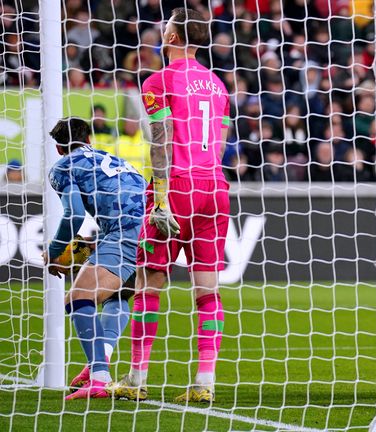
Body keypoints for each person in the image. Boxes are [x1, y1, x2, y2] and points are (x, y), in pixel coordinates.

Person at [107, 8, 231, 404]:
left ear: (174, 38)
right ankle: (204, 383)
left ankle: (135, 377)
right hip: (215, 186)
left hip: (176, 185)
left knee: (149, 283)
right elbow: (222, 143)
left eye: (165, 29)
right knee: (207, 290)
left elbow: (161, 139)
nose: (161, 34)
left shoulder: (159, 80)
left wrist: (160, 193)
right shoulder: (217, 84)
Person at [44, 118, 146, 400]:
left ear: (58, 148)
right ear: (89, 139)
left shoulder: (63, 167)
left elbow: (74, 215)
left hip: (124, 230)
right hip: (155, 228)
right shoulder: (111, 157)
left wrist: (54, 253)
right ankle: (96, 365)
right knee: (117, 297)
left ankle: (100, 379)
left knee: (78, 298)